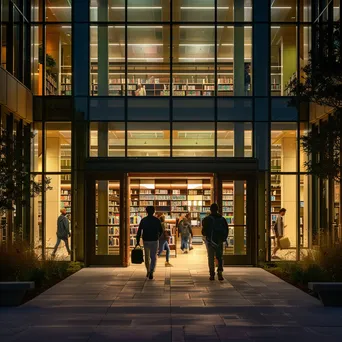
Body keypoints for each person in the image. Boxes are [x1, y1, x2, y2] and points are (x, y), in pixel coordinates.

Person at [202, 203, 228, 281]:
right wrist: (223, 238)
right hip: (219, 241)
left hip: (210, 241)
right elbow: (226, 230)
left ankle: (212, 274)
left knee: (210, 258)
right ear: (217, 209)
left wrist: (207, 236)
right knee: (219, 257)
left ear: (210, 210)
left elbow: (203, 231)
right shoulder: (222, 219)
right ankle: (220, 272)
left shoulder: (207, 219)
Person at [136, 206, 163, 279]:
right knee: (153, 256)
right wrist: (158, 236)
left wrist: (137, 241)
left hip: (146, 240)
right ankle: (151, 271)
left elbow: (139, 231)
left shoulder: (143, 220)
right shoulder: (157, 220)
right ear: (154, 211)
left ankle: (148, 270)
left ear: (146, 212)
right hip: (154, 240)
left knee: (147, 257)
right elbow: (161, 230)